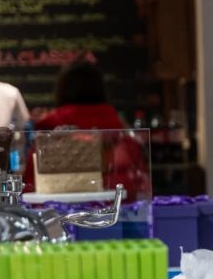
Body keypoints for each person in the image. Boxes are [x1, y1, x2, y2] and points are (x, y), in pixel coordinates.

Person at [27, 58, 147, 201]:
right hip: (117, 205)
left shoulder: (51, 126)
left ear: (61, 89)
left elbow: (30, 182)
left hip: (62, 208)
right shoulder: (116, 125)